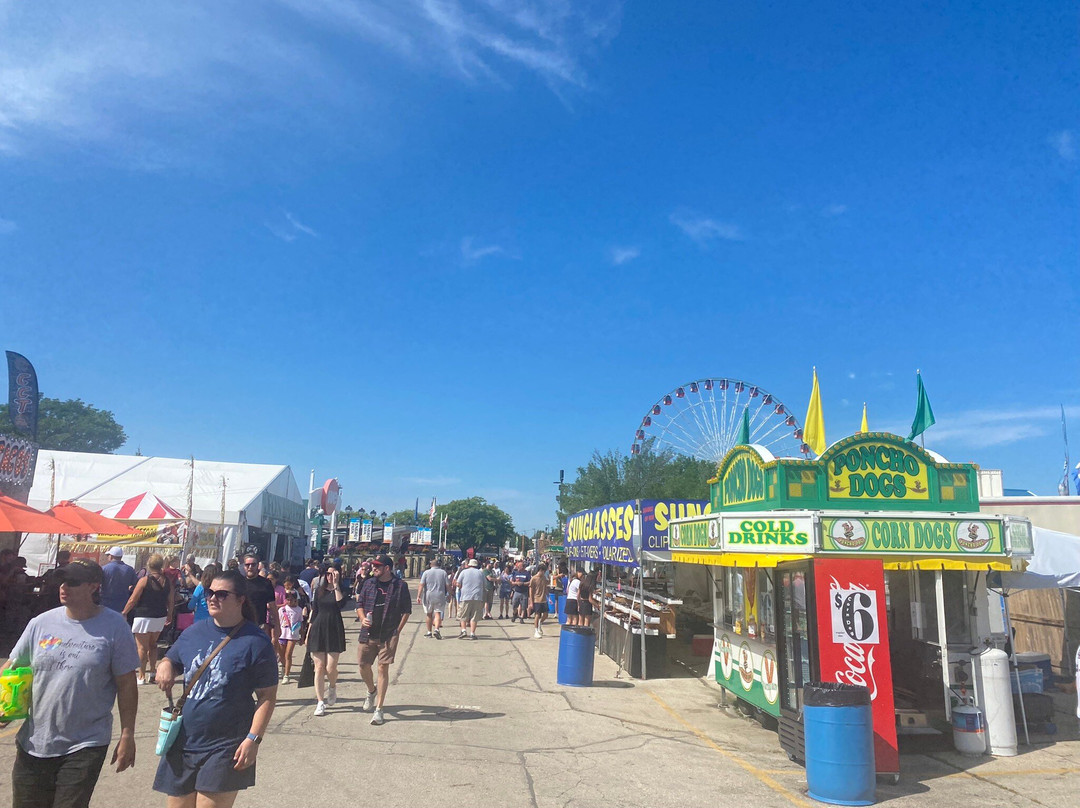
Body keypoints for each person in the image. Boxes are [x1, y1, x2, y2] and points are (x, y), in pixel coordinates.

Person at [3, 559, 139, 808]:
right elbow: (11, 667)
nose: (64, 586)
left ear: (93, 586)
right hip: (33, 741)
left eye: (73, 582)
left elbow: (127, 684)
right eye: (62, 581)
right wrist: (3, 704)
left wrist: (127, 734)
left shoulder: (114, 627)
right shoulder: (40, 623)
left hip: (85, 743)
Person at [153, 569, 277, 805]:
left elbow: (267, 697)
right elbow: (171, 659)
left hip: (226, 746)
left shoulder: (256, 642)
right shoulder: (193, 633)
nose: (212, 598)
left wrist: (253, 739)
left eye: (221, 594)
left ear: (241, 599)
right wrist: (165, 665)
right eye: (210, 592)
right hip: (184, 741)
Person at [355, 554, 412, 726]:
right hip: (368, 633)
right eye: (373, 566)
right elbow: (360, 604)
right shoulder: (368, 583)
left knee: (382, 668)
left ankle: (379, 709)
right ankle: (371, 691)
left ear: (387, 568)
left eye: (378, 566)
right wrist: (362, 617)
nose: (374, 569)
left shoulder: (400, 586)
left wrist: (397, 631)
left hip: (387, 634)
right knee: (363, 665)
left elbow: (406, 611)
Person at [122, 553, 174, 685]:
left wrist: (124, 612)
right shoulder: (167, 581)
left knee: (141, 648)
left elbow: (133, 599)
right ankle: (152, 672)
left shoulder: (144, 580)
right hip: (160, 616)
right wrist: (170, 614)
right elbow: (171, 600)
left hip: (143, 616)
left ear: (149, 566)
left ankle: (141, 675)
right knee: (153, 645)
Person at [307, 564, 346, 716]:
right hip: (318, 628)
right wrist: (308, 632)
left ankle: (333, 686)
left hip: (334, 628)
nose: (329, 576)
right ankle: (320, 702)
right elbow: (314, 611)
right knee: (319, 667)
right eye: (327, 574)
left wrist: (336, 585)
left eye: (333, 574)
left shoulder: (340, 590)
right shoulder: (319, 590)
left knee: (331, 668)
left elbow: (340, 604)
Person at [242, 554, 279, 639]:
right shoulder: (239, 583)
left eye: (253, 564)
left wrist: (277, 626)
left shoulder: (266, 583)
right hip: (241, 625)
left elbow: (273, 606)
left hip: (259, 625)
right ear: (244, 566)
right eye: (247, 565)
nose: (250, 567)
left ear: (258, 566)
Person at [417, 558, 449, 639]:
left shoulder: (426, 573)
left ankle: (429, 632)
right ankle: (437, 629)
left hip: (429, 595)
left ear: (431, 565)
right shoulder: (443, 572)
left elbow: (421, 584)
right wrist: (450, 593)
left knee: (429, 614)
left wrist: (418, 595)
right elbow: (447, 585)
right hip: (440, 595)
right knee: (438, 613)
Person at [277, 590, 306, 684]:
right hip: (282, 634)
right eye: (288, 599)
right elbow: (278, 622)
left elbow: (301, 623)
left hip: (293, 634)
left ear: (295, 600)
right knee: (281, 655)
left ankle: (286, 675)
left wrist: (302, 636)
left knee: (288, 654)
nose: (289, 602)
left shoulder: (299, 610)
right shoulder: (282, 610)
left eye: (291, 600)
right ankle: (284, 667)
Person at [101, 546, 137, 614]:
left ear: (111, 556)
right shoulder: (129, 569)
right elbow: (136, 584)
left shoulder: (104, 569)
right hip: (123, 606)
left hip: (106, 605)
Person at [455, 558, 485, 640]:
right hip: (477, 597)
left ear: (469, 565)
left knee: (463, 615)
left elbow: (458, 583)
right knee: (474, 616)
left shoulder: (464, 572)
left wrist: (462, 587)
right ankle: (472, 633)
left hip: (466, 596)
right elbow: (484, 584)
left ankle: (464, 630)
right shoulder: (480, 573)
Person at [529, 562, 549, 638]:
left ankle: (540, 623)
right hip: (536, 599)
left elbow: (546, 587)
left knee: (546, 614)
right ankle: (536, 630)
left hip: (544, 599)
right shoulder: (533, 579)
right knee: (537, 615)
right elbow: (530, 591)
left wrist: (549, 597)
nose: (544, 573)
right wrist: (531, 602)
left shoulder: (544, 578)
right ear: (540, 570)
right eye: (543, 571)